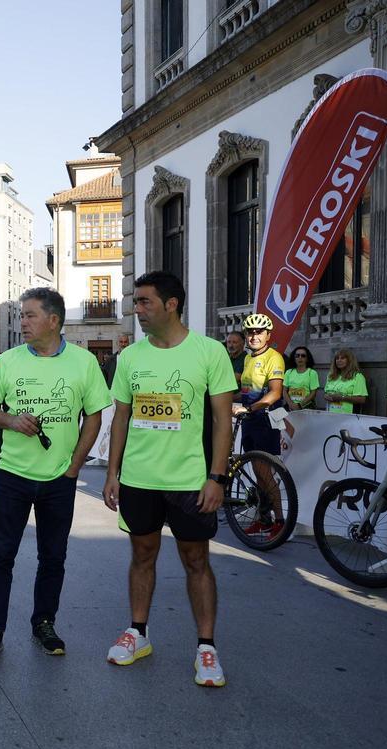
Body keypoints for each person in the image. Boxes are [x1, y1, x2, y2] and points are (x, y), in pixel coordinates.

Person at [102, 271, 235, 688]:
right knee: (142, 556)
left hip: (190, 481)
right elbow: (120, 417)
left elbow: (221, 422)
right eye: (136, 303)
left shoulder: (209, 352)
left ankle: (206, 647)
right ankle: (138, 633)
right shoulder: (131, 357)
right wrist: (112, 472)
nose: (136, 310)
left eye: (144, 302)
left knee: (196, 561)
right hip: (140, 480)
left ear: (171, 304)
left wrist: (217, 477)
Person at [0, 288, 111, 661]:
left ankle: (44, 623)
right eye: (22, 315)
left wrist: (75, 466)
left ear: (53, 320)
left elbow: (95, 415)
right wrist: (12, 421)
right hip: (13, 475)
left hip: (59, 480)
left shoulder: (83, 363)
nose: (24, 322)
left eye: (30, 315)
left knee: (53, 557)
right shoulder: (8, 361)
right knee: (1, 554)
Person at [234, 314, 286, 537]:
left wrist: (250, 409)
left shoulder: (274, 358)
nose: (254, 335)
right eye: (250, 332)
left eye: (258, 332)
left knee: (265, 472)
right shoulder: (247, 359)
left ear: (268, 335)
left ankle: (280, 522)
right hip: (249, 419)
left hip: (264, 420)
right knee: (257, 471)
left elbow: (275, 393)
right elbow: (245, 392)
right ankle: (264, 519)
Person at [324, 349, 368, 414]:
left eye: (342, 358)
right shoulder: (331, 375)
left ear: (350, 360)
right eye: (337, 358)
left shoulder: (357, 376)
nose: (339, 360)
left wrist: (341, 397)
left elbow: (362, 399)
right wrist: (325, 396)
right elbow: (326, 393)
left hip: (348, 416)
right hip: (330, 414)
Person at [284, 346, 320, 411]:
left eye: (303, 356)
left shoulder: (312, 373)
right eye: (297, 355)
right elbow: (284, 391)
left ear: (307, 358)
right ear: (294, 358)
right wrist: (291, 404)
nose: (300, 358)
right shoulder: (288, 372)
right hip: (290, 408)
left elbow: (313, 393)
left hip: (306, 408)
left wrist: (299, 405)